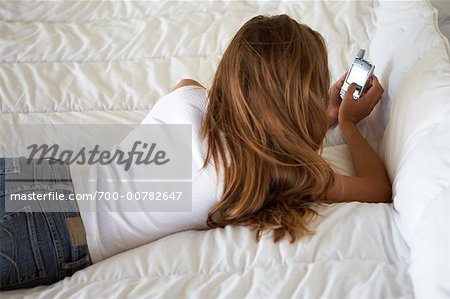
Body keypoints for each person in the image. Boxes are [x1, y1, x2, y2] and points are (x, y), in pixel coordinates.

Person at [0, 14, 391, 291]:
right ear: (294, 103)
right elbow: (376, 188)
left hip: (42, 176)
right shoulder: (264, 175)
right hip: (56, 235)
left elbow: (244, 126)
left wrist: (319, 117)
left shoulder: (188, 96)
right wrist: (349, 124)